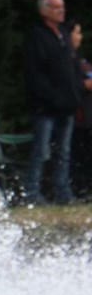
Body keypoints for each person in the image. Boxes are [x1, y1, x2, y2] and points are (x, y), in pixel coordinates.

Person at [22, 0, 81, 205]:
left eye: (62, 6)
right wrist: (50, 97)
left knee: (63, 153)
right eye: (56, 7)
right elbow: (35, 74)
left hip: (67, 105)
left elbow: (71, 66)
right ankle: (32, 192)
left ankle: (62, 192)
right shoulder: (36, 36)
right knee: (41, 151)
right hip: (45, 107)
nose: (61, 11)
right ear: (44, 10)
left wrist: (74, 94)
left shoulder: (64, 34)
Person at [70, 20, 92, 199]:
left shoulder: (81, 60)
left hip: (88, 116)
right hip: (79, 117)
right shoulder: (67, 59)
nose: (80, 36)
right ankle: (80, 190)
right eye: (77, 32)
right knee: (79, 155)